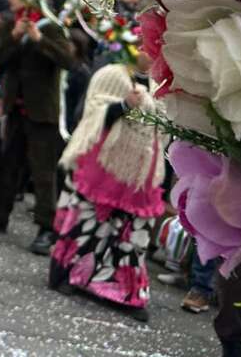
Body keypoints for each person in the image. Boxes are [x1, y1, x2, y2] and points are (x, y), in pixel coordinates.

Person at [48, 43, 165, 323]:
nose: (150, 53)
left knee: (131, 232)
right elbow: (93, 113)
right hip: (105, 165)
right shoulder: (111, 74)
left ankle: (121, 290)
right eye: (145, 46)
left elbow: (163, 128)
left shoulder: (162, 86)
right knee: (88, 222)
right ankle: (68, 274)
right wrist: (124, 105)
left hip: (140, 172)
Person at [0, 0, 79, 253]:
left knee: (43, 171)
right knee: (7, 163)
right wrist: (14, 36)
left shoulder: (51, 27)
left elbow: (67, 60)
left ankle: (46, 228)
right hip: (16, 106)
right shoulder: (12, 23)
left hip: (42, 110)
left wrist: (38, 39)